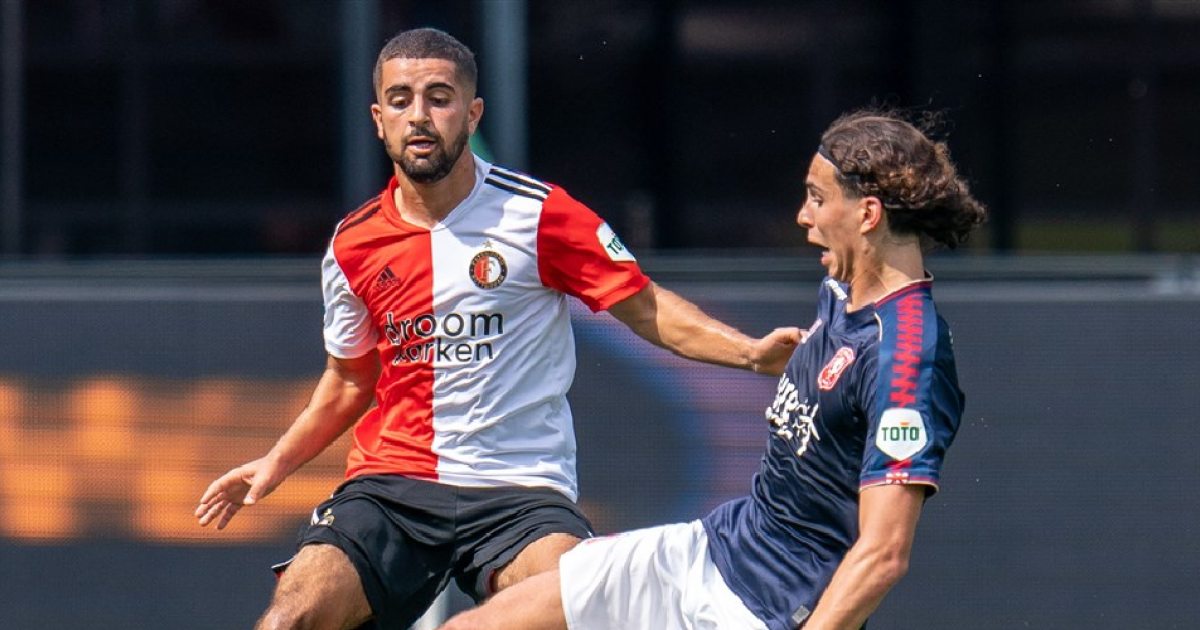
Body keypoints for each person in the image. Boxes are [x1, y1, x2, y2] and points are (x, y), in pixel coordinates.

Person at [193, 27, 800, 630]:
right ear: (379, 120)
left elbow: (646, 307)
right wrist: (275, 462)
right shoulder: (352, 244)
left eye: (439, 96)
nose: (420, 116)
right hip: (393, 487)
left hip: (521, 491)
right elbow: (350, 379)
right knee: (289, 620)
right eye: (401, 100)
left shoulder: (541, 214)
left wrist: (750, 353)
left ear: (472, 111)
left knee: (573, 612)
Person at [436, 108, 989, 630]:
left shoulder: (908, 356)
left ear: (867, 215)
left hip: (769, 606)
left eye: (817, 200)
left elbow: (884, 553)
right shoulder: (844, 291)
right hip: (714, 545)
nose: (803, 217)